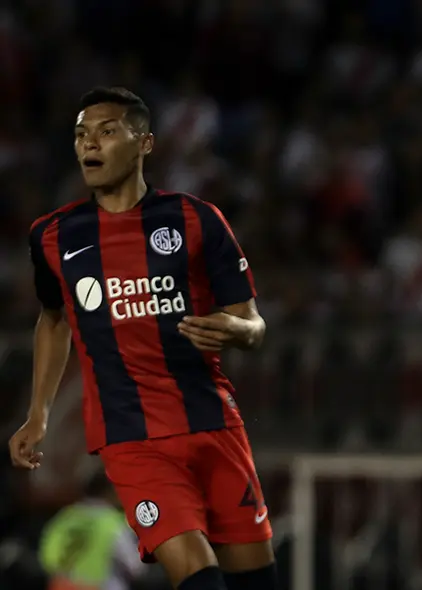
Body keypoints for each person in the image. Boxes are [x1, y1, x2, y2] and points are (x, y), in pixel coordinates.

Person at [8, 86, 277, 590]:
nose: (90, 143)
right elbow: (53, 319)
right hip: (132, 439)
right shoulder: (52, 236)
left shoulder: (196, 220)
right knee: (198, 576)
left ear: (145, 143)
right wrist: (38, 414)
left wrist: (237, 331)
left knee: (257, 582)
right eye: (81, 134)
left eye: (107, 131)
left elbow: (253, 324)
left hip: (213, 423)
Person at [39, 470, 145, 590]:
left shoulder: (66, 517)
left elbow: (47, 557)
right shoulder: (113, 523)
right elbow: (135, 567)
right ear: (111, 492)